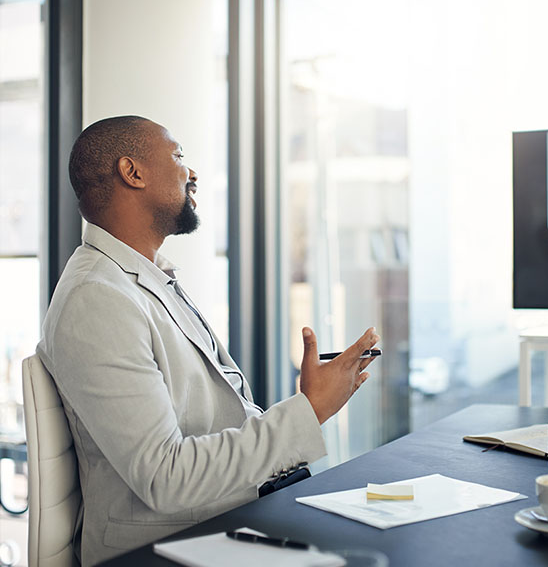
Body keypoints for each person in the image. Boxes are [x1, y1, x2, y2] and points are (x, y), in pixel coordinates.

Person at [36, 116, 380, 566]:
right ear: (132, 172)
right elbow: (165, 476)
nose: (192, 172)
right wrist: (310, 410)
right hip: (168, 549)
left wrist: (309, 405)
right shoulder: (97, 299)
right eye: (179, 157)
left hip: (228, 518)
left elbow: (216, 420)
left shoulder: (146, 279)